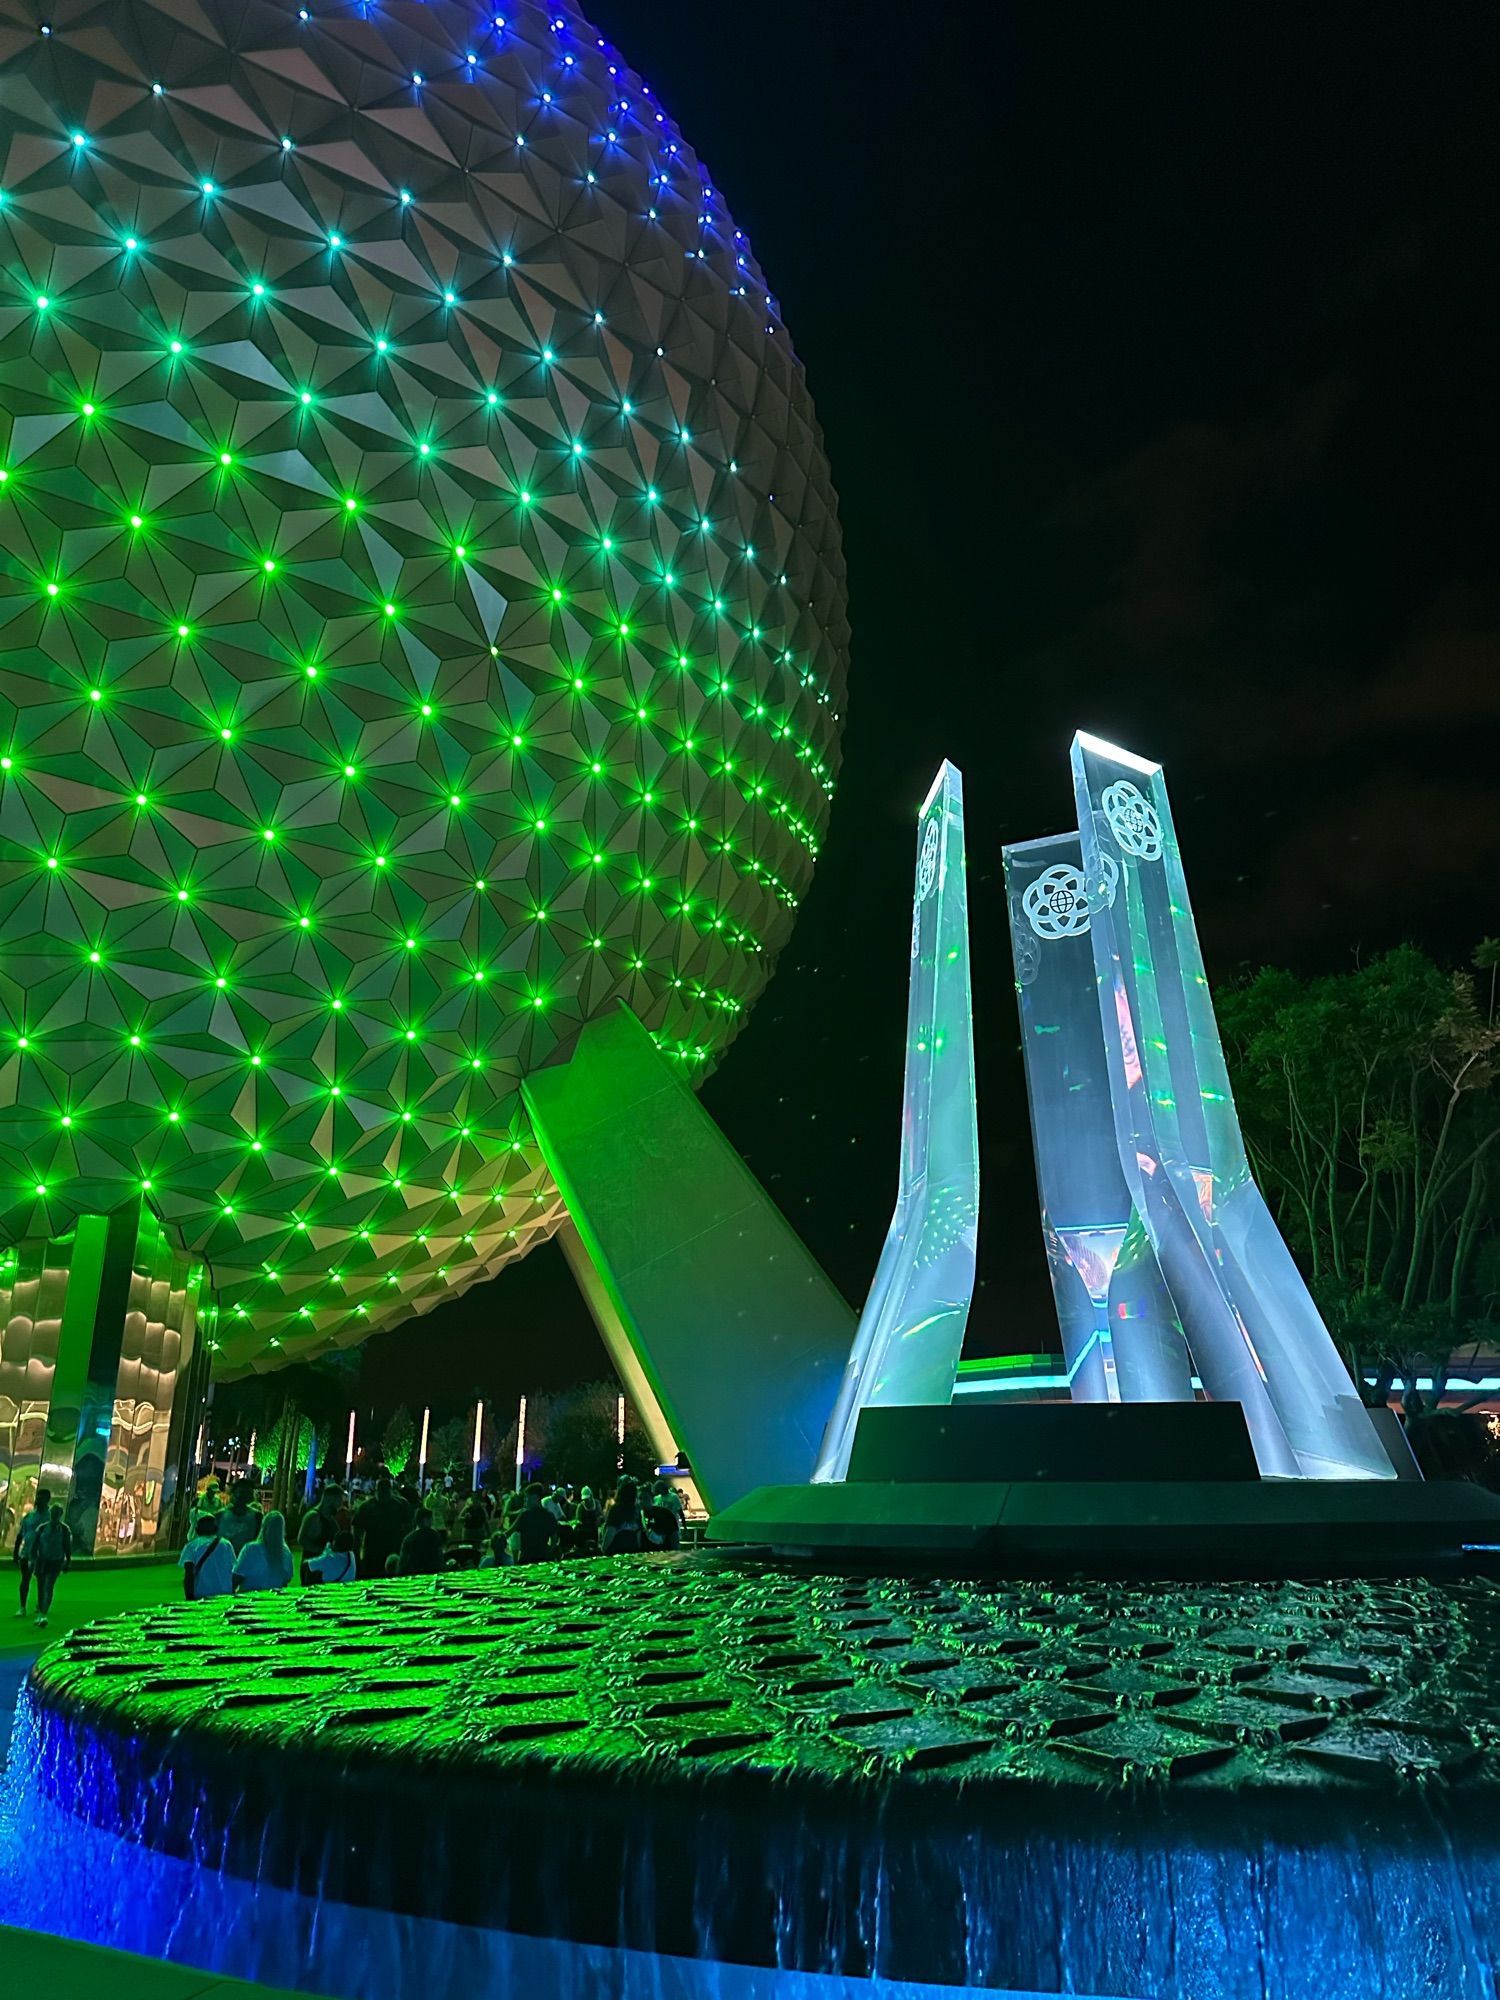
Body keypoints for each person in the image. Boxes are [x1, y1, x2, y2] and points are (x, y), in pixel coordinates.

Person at [354, 1476, 412, 1581]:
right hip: (374, 1553)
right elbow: (357, 1534)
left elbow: (409, 1529)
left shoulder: (401, 1505)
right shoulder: (366, 1508)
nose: (383, 1495)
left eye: (385, 1492)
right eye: (381, 1492)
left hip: (393, 1552)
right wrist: (357, 1557)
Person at [29, 1503, 73, 1627]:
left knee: (49, 1586)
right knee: (41, 1586)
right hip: (42, 1560)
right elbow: (35, 1544)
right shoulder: (42, 1528)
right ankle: (40, 1608)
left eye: (57, 1514)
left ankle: (43, 1614)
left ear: (60, 1515)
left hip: (56, 1561)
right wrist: (32, 1557)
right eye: (53, 1513)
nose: (54, 1516)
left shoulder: (64, 1530)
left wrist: (68, 1561)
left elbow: (67, 1546)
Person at [12, 1485, 51, 1619]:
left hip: (43, 1554)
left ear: (47, 1500)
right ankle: (22, 1606)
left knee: (42, 1580)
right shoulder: (29, 1516)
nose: (38, 1501)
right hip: (27, 1552)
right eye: (38, 1498)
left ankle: (40, 1606)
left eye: (42, 1499)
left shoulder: (51, 1517)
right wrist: (16, 1552)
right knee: (25, 1579)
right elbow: (20, 1535)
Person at [234, 1510, 293, 1592]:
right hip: (274, 1599)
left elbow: (236, 1577)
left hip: (250, 1598)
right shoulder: (286, 1553)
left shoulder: (250, 1549)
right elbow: (287, 1579)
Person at [179, 1512, 234, 1599]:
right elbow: (232, 1570)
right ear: (216, 1529)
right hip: (225, 1595)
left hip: (201, 1595)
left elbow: (189, 1574)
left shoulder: (191, 1546)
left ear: (197, 1530)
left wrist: (189, 1597)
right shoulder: (226, 1544)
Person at [296, 1484, 344, 1584]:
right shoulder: (314, 1517)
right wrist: (323, 1553)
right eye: (339, 1500)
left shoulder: (331, 1520)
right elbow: (302, 1540)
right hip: (312, 1572)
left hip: (324, 1571)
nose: (340, 1505)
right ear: (329, 1499)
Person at [510, 1484, 560, 1565]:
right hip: (542, 1559)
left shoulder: (525, 1515)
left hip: (526, 1559)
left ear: (535, 1497)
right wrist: (549, 1552)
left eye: (527, 1497)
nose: (525, 1500)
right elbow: (554, 1538)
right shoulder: (549, 1515)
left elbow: (510, 1531)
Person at [599, 1476, 642, 1556]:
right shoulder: (637, 1510)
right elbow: (639, 1534)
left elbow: (610, 1532)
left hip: (617, 1553)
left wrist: (603, 1549)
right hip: (633, 1553)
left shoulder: (616, 1509)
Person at [217, 1480, 262, 1556]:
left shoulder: (257, 1516)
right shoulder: (220, 1515)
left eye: (246, 1494)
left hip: (246, 1560)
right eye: (241, 1493)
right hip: (224, 1559)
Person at [396, 1507, 446, 1575]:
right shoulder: (434, 1535)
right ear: (425, 1520)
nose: (432, 1521)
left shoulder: (409, 1538)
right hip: (433, 1573)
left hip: (414, 1574)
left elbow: (402, 1562)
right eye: (431, 1519)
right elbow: (440, 1556)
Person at [644, 1481, 681, 1551]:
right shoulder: (656, 1498)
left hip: (672, 1526)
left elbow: (680, 1511)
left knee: (673, 1545)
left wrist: (684, 1527)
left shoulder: (674, 1497)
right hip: (660, 1528)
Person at [571, 1485, 600, 1555]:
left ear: (591, 1495)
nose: (586, 1500)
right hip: (583, 1531)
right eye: (584, 1499)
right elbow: (578, 1519)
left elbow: (600, 1515)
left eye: (587, 1498)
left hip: (594, 1530)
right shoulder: (580, 1506)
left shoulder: (597, 1503)